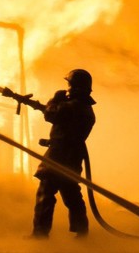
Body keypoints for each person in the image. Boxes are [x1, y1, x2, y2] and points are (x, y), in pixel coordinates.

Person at [31, 69, 97, 238]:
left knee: (46, 193)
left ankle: (40, 233)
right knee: (71, 195)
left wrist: (55, 98)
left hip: (59, 155)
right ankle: (82, 232)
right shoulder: (85, 109)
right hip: (72, 157)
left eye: (69, 84)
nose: (67, 88)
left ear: (75, 87)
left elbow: (51, 114)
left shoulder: (73, 107)